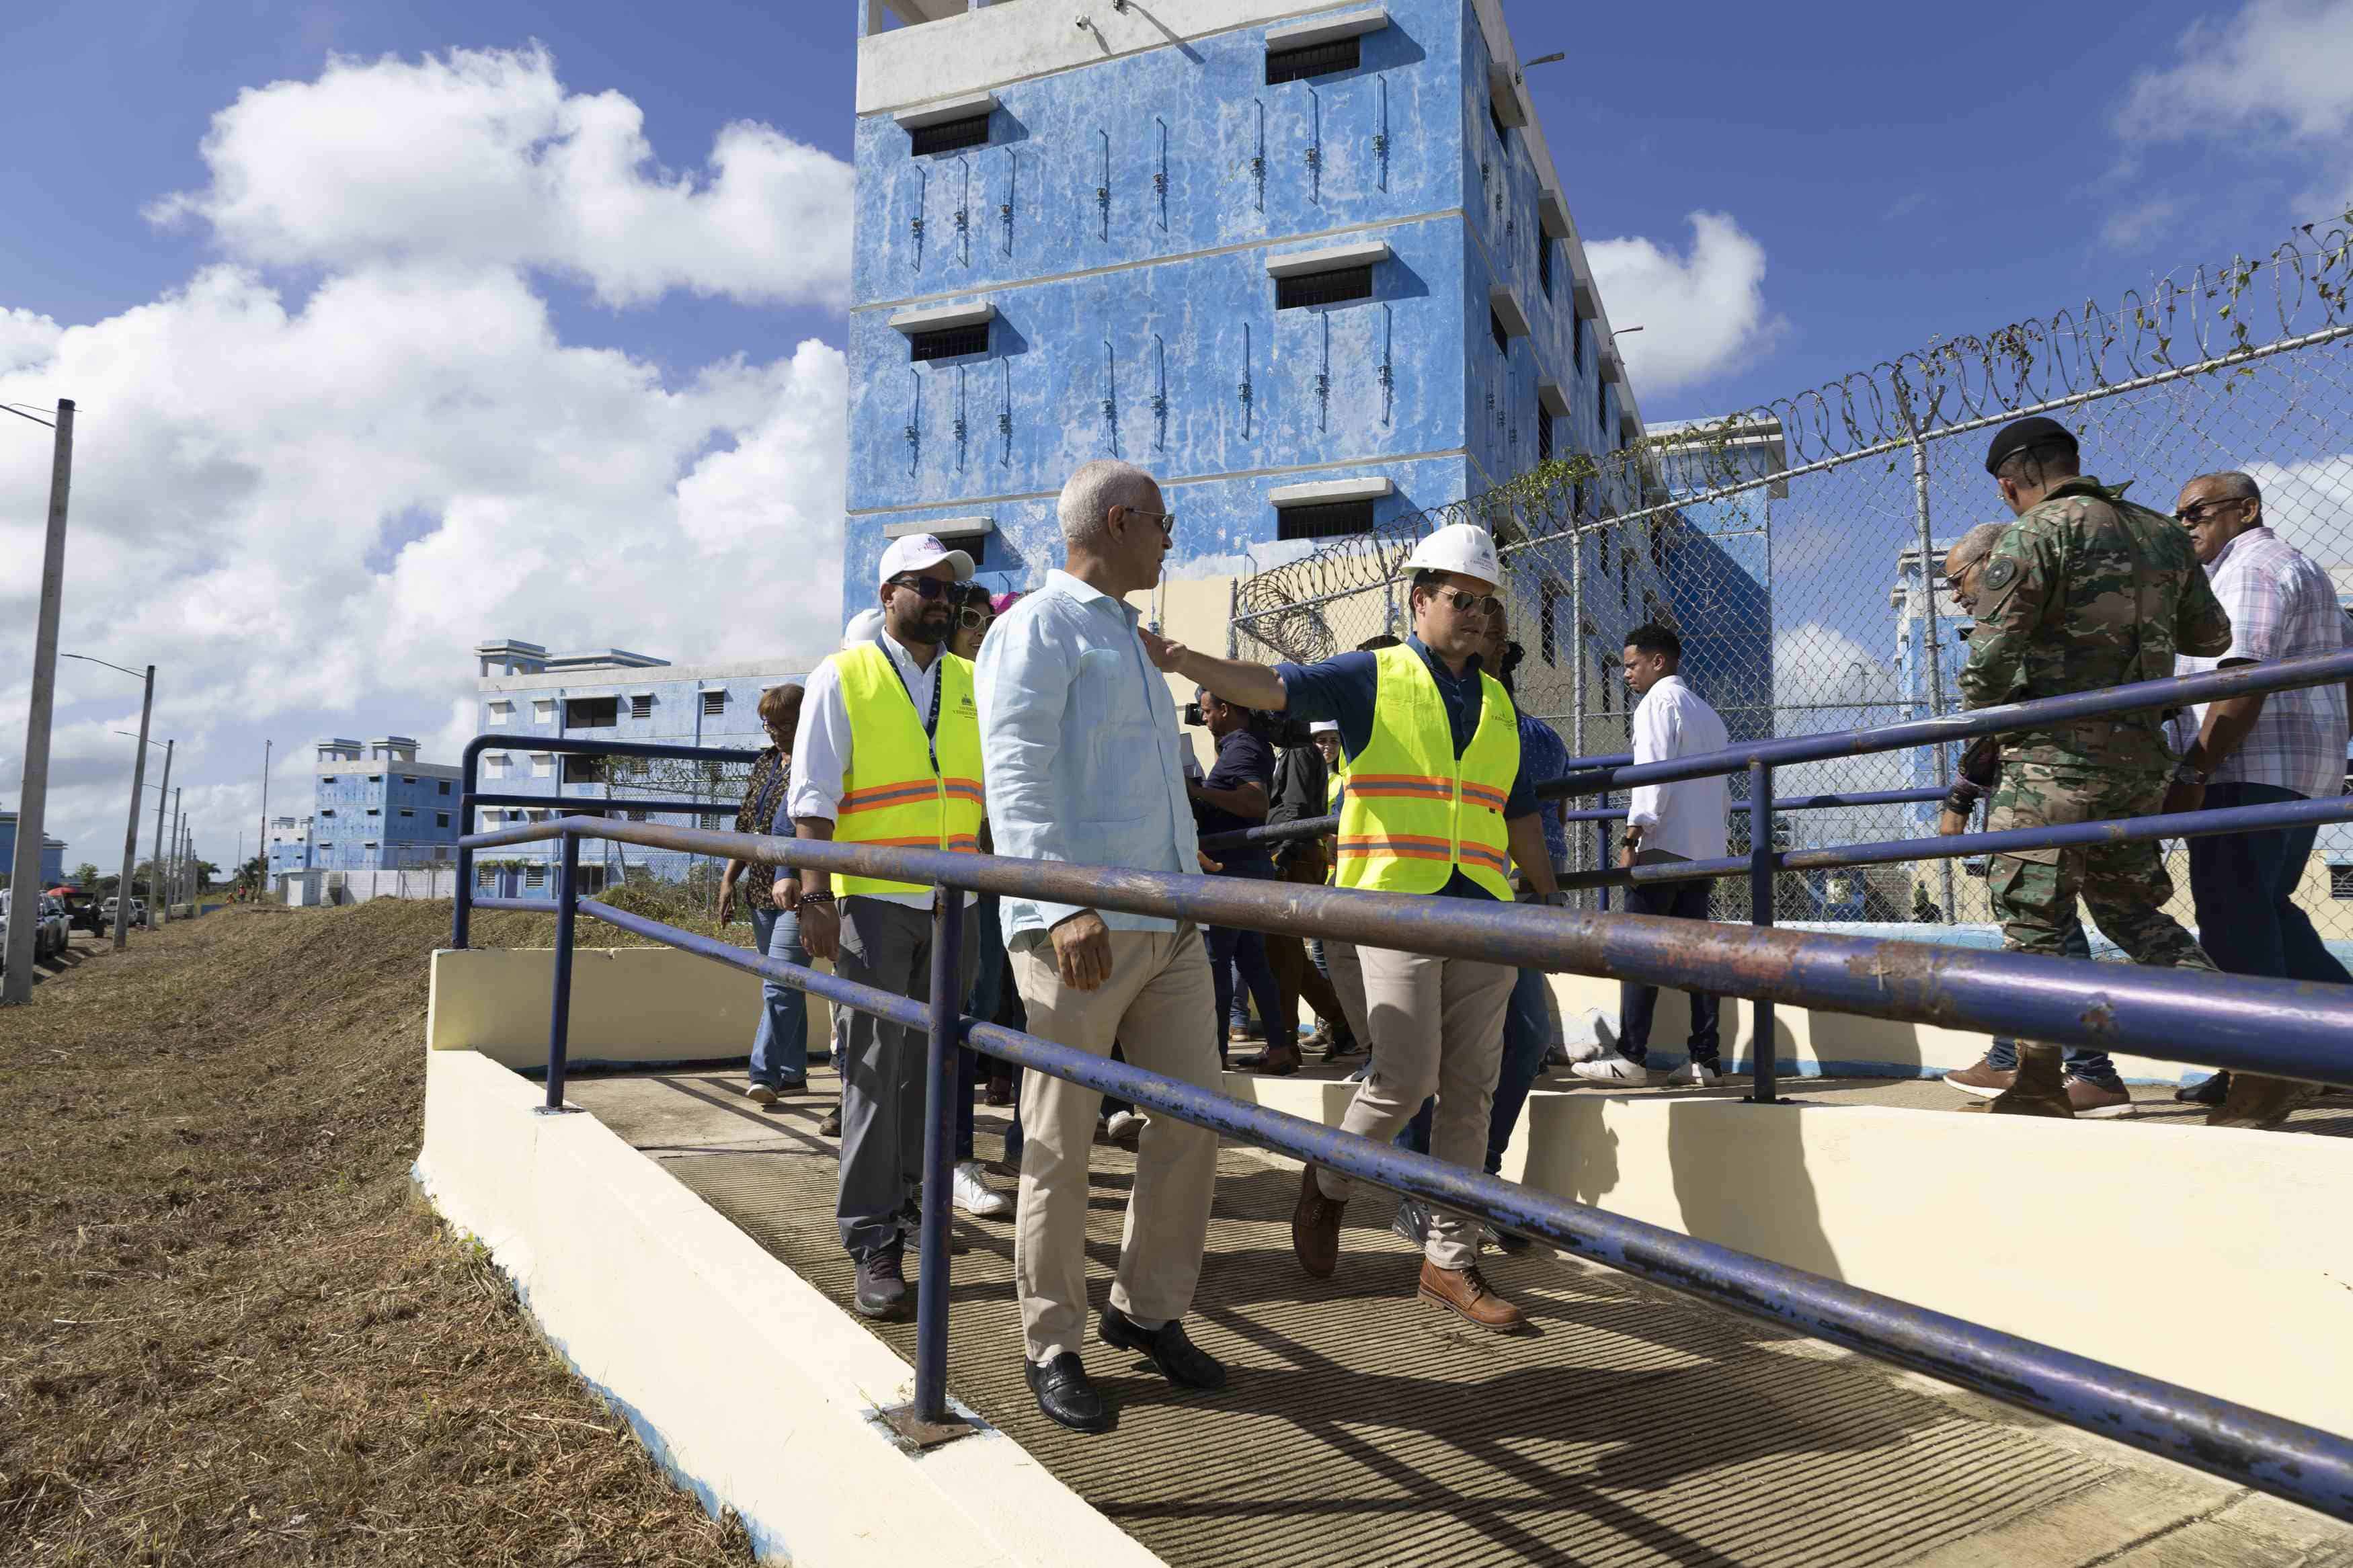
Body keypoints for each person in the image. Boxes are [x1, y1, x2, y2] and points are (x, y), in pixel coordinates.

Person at [1145, 522, 1564, 1332]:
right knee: (1404, 1075)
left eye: (1486, 602)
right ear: (1418, 601)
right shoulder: (1374, 675)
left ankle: (1448, 1260)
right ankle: (1328, 1179)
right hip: (1392, 903)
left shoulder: (1499, 705)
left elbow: (1515, 816)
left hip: (1481, 909)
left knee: (1471, 1088)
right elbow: (1274, 686)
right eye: (1459, 598)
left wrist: (1547, 904)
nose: (1475, 614)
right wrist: (1185, 660)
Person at [976, 458, 1228, 1434]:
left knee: (1193, 1121)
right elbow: (1017, 773)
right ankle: (1053, 1342)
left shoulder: (1129, 639)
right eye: (1162, 522)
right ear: (1119, 521)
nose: (1170, 538)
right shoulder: (1035, 628)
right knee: (1058, 1141)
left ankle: (1146, 1309)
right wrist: (1059, 900)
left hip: (1170, 924)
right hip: (1076, 930)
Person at [1955, 415, 2232, 1118]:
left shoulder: (2035, 532)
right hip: (2138, 759)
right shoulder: (2160, 532)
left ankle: (2041, 1082)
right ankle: (2257, 1054)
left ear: (2009, 483)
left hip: (2050, 761)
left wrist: (1981, 720)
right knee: (2131, 914)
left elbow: (1989, 660)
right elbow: (2212, 633)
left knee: (2030, 919)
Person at [787, 534, 985, 1320]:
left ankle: (911, 1208)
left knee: (933, 1073)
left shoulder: (970, 678)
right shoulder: (843, 675)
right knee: (873, 1071)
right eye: (927, 586)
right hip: (872, 899)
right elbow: (813, 797)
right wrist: (814, 894)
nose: (943, 599)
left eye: (951, 589)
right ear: (887, 595)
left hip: (956, 902)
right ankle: (872, 1238)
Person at [2165, 469, 2350, 1128]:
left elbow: (2239, 679)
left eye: (2196, 512)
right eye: (2179, 515)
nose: (2184, 524)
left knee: (2233, 913)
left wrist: (2191, 769)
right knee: (2266, 909)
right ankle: (2336, 1050)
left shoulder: (2249, 567)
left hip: (2247, 763)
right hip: (2290, 765)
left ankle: (2267, 1071)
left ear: (2244, 510)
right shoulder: (2288, 567)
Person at [1933, 522, 2132, 1116]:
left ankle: (2093, 1071)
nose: (1958, 595)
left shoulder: (2027, 613)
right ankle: (2010, 1057)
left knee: (2055, 929)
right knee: (2034, 926)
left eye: (1959, 580)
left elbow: (1989, 718)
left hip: (2052, 788)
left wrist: (1961, 797)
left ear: (1993, 562)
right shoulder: (2059, 603)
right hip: (2062, 783)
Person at [1396, 610, 1568, 1253]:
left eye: (1494, 633)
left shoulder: (1516, 725)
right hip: (1411, 899)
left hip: (1496, 903)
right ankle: (1417, 1187)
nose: (1481, 639)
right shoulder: (1407, 695)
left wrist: (1547, 894)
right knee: (1412, 1058)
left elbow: (1535, 815)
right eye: (1468, 621)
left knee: (1527, 1036)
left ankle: (1475, 1180)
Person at [1572, 623, 1732, 1087]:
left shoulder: (1656, 704)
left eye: (1631, 664)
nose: (1626, 674)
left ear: (1657, 662)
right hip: (1705, 854)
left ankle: (1631, 1058)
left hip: (1662, 847)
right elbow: (1722, 793)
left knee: (1637, 950)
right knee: (1699, 957)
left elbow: (1652, 776)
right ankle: (1706, 1060)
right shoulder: (1708, 714)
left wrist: (1631, 839)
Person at [942, 582, 1016, 1220]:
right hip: (934, 880)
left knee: (978, 1015)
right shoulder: (937, 691)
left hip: (991, 879)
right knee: (951, 1020)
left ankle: (950, 1156)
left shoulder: (990, 690)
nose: (977, 628)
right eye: (966, 619)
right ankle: (951, 1159)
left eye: (983, 620)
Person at [717, 684, 813, 1103]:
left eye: (785, 724)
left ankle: (764, 1073)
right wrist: (728, 879)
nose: (776, 732)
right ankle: (793, 1072)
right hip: (759, 887)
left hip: (802, 887)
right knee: (784, 983)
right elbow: (745, 825)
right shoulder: (767, 762)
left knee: (782, 981)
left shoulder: (817, 762)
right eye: (769, 725)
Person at [1189, 690, 1291, 1072]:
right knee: (1252, 962)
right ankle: (1279, 1048)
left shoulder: (1243, 747)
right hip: (1243, 869)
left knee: (1216, 964)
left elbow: (1254, 803)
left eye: (1207, 711)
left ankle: (1214, 1057)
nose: (1204, 718)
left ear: (1227, 709)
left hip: (1232, 874)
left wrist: (1198, 791)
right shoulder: (1240, 745)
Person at [1261, 717, 1355, 1063]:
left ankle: (1283, 1042)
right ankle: (1342, 1023)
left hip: (1294, 855)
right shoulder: (1298, 752)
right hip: (1300, 853)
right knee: (1289, 955)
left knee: (1282, 952)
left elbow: (1296, 810)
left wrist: (1280, 851)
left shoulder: (1299, 752)